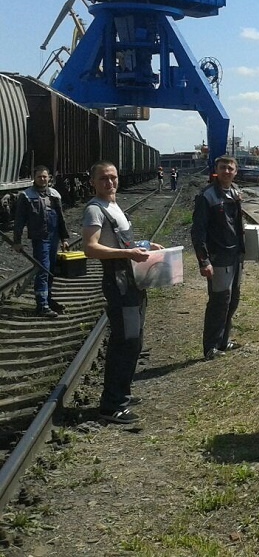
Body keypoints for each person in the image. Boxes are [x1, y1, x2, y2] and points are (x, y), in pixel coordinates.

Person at [82, 161, 163, 424]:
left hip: (131, 281)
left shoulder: (114, 206)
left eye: (113, 177)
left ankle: (122, 393)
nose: (110, 182)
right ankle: (112, 405)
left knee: (134, 340)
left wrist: (145, 244)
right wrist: (128, 253)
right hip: (118, 282)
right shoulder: (94, 210)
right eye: (103, 178)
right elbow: (90, 248)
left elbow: (121, 240)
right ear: (93, 182)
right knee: (125, 341)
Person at [191, 156, 245, 360]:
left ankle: (223, 341)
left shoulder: (235, 192)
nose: (227, 171)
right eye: (223, 168)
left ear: (235, 172)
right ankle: (211, 347)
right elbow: (198, 231)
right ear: (216, 169)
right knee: (219, 302)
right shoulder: (207, 196)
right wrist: (204, 261)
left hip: (235, 255)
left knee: (233, 300)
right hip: (219, 256)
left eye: (230, 168)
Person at [12, 166, 70, 317]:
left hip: (54, 237)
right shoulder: (26, 196)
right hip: (40, 238)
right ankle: (42, 305)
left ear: (49, 177)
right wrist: (17, 241)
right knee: (43, 269)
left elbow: (61, 219)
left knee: (50, 270)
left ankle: (48, 299)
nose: (43, 179)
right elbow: (19, 220)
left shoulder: (55, 194)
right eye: (39, 177)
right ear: (34, 178)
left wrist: (64, 238)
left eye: (45, 176)